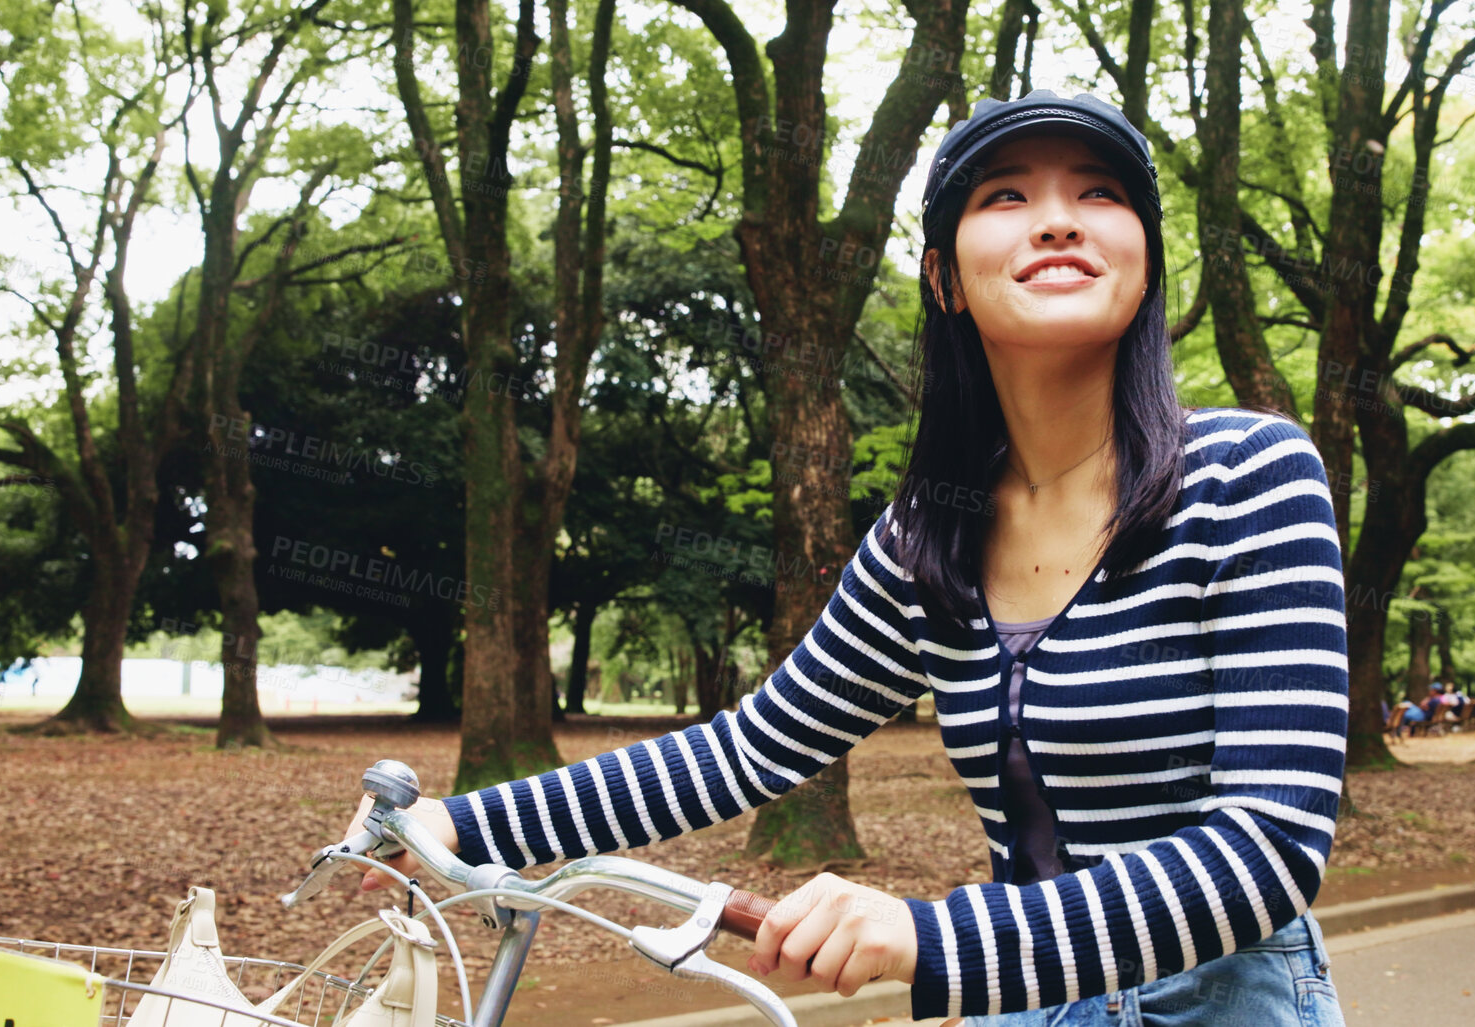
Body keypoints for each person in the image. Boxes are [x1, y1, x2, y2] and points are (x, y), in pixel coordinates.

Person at [342, 89, 1347, 1027]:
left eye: (1101, 193)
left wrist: (931, 934)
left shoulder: (1249, 477)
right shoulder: (926, 537)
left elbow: (1269, 847)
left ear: (1145, 258)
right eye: (1007, 196)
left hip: (1223, 998)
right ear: (945, 275)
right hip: (1021, 1004)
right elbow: (751, 749)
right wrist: (464, 825)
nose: (1058, 218)